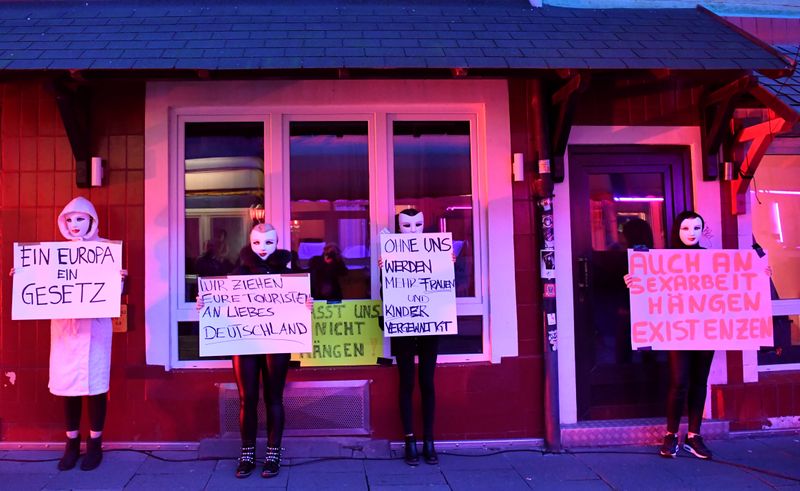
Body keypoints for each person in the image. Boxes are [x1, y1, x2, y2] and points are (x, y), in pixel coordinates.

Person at [624, 211, 767, 460]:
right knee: (679, 382)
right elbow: (651, 290)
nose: (691, 233)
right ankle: (670, 434)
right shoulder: (662, 260)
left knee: (700, 381)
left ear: (702, 231)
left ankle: (693, 435)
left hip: (705, 329)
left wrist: (760, 275)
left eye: (696, 228)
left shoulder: (711, 258)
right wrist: (634, 282)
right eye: (686, 228)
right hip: (677, 330)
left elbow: (733, 284)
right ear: (676, 231)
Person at [10, 197, 126, 471]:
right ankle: (72, 442)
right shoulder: (54, 254)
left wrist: (119, 280)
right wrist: (23, 275)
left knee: (96, 386)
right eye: (70, 219)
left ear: (92, 221)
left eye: (81, 219)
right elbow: (39, 288)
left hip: (95, 330)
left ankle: (95, 444)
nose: (75, 225)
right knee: (68, 387)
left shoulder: (105, 251)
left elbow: (112, 297)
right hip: (65, 330)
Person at [197, 222, 309, 479]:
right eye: (257, 242)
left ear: (277, 242)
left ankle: (273, 453)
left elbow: (299, 304)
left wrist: (306, 304)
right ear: (249, 243)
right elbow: (221, 303)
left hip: (277, 342)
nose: (262, 248)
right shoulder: (237, 273)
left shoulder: (291, 275)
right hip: (244, 343)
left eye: (268, 242)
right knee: (247, 398)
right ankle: (246, 453)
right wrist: (205, 303)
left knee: (274, 398)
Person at [379, 208, 451, 466]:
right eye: (407, 226)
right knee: (407, 382)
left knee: (427, 382)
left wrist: (447, 265)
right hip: (404, 323)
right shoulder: (392, 254)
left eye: (418, 224)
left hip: (429, 323)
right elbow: (389, 294)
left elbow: (444, 288)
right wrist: (386, 271)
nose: (413, 230)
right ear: (399, 227)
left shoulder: (435, 251)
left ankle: (428, 439)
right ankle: (410, 439)